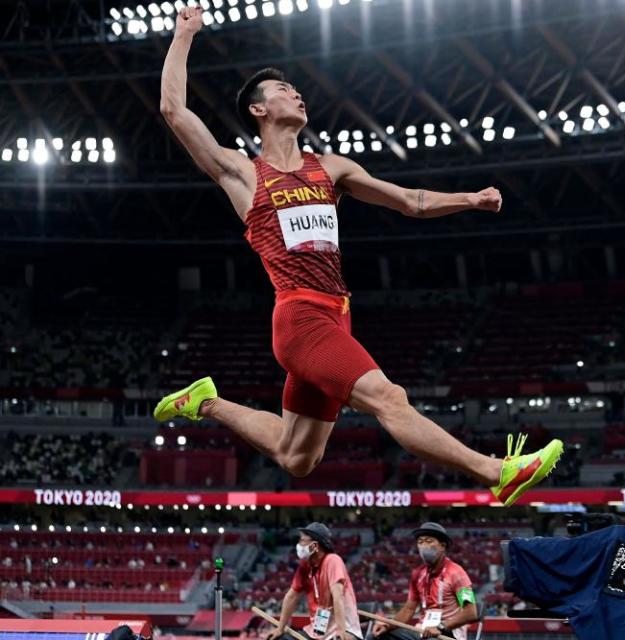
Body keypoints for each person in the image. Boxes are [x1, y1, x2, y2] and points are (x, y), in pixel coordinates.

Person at [153, 6, 562, 507]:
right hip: (300, 318)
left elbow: (408, 200)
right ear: (259, 110)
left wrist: (470, 199)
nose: (296, 93)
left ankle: (207, 402)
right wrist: (184, 34)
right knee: (389, 398)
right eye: (283, 91)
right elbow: (175, 112)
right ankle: (496, 470)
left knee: (297, 455)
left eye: (296, 89)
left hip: (338, 315)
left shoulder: (331, 168)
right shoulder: (244, 173)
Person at [372, 523, 477, 640]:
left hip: (448, 633)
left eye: (429, 541)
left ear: (443, 546)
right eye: (420, 542)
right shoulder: (417, 574)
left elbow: (471, 613)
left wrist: (440, 627)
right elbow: (409, 609)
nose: (423, 546)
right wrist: (387, 626)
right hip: (422, 631)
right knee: (378, 636)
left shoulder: (457, 573)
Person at [267, 523, 361, 640]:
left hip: (343, 630)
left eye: (302, 541)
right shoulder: (305, 566)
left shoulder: (333, 561)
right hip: (319, 631)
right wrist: (280, 628)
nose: (299, 545)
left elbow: (338, 597)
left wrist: (341, 630)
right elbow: (291, 597)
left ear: (315, 546)